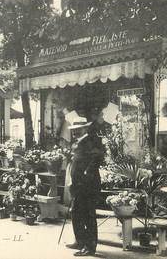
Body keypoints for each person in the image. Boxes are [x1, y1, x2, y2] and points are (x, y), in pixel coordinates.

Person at [66, 108, 107, 257]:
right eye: (73, 129)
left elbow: (97, 158)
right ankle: (80, 241)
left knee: (88, 215)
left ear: (84, 128)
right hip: (78, 185)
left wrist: (86, 174)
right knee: (76, 213)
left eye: (77, 129)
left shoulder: (91, 140)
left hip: (88, 185)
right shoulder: (79, 142)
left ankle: (90, 247)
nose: (74, 132)